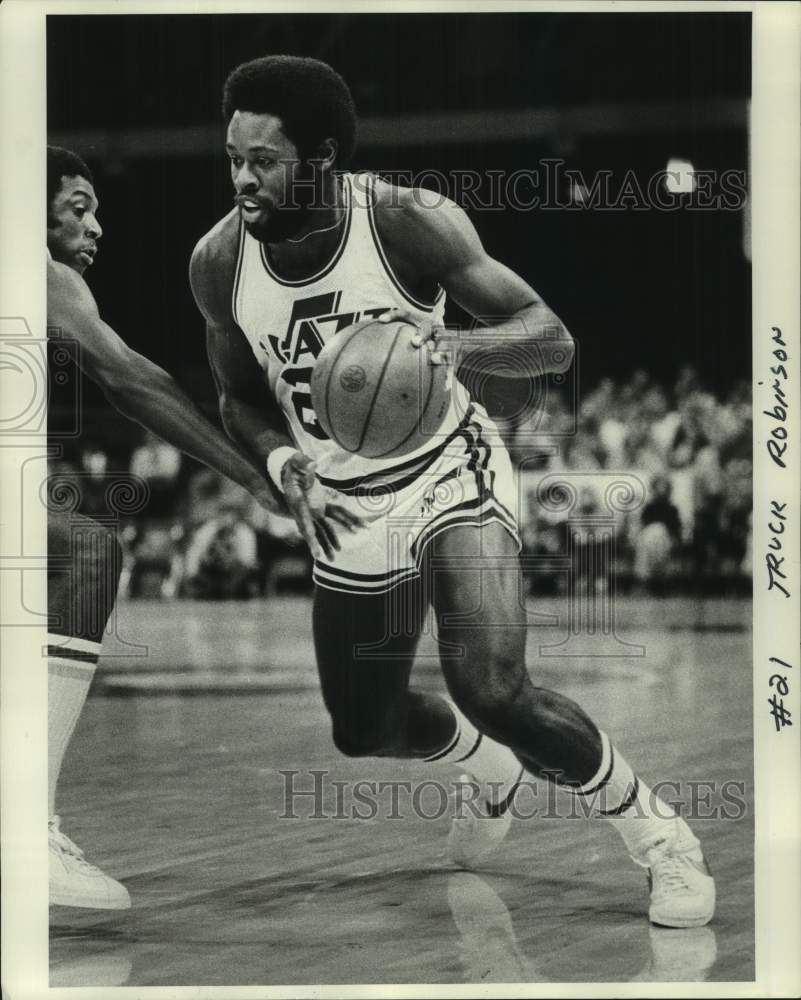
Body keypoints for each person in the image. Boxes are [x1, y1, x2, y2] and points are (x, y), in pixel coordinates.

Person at [190, 56, 715, 927]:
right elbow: (236, 398)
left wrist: (459, 349)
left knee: (492, 685)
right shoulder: (218, 262)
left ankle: (659, 840)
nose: (243, 178)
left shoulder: (405, 221)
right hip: (343, 499)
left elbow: (550, 339)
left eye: (264, 161)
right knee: (362, 730)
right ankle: (485, 765)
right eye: (233, 157)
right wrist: (286, 468)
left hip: (448, 469)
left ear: (319, 160)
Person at [45, 145, 360, 909]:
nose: (97, 224)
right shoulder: (30, 267)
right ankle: (23, 830)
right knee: (83, 553)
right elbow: (132, 380)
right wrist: (257, 475)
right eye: (78, 207)